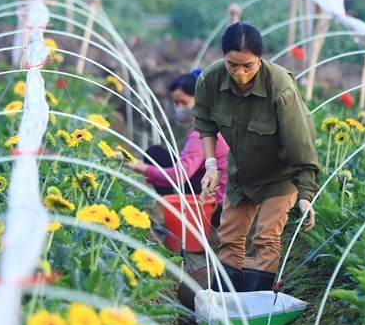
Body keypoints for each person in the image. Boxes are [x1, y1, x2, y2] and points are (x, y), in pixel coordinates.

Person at [193, 22, 320, 292]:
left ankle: (256, 307)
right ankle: (224, 306)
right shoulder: (210, 80)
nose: (239, 73)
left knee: (265, 239)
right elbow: (205, 123)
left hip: (280, 174)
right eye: (232, 65)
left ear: (259, 59)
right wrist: (211, 165)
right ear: (223, 57)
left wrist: (306, 195)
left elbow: (301, 144)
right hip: (242, 172)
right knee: (228, 236)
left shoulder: (280, 87)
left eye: (248, 66)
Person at [124, 72, 229, 226]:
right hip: (223, 202)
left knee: (155, 155)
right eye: (175, 103)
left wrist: (139, 166)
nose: (178, 108)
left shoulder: (202, 132)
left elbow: (178, 176)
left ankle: (179, 220)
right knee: (158, 156)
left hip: (215, 209)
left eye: (183, 102)